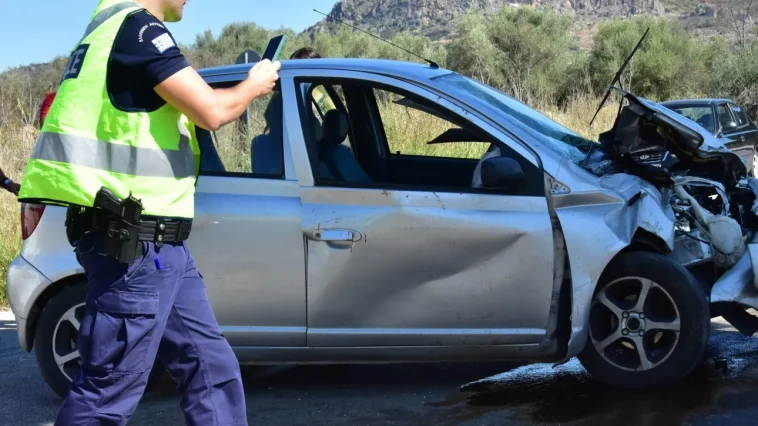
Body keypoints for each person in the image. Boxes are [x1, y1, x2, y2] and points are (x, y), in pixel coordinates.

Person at [18, 1, 280, 425]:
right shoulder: (138, 31)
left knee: (212, 369)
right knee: (108, 393)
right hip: (136, 247)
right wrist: (254, 84)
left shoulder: (107, 30)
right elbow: (212, 111)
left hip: (160, 247)